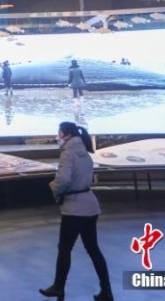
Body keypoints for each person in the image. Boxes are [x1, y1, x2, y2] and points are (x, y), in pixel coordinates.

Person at [40, 122, 112, 301]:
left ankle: (58, 287)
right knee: (93, 249)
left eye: (59, 132)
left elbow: (64, 179)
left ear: (65, 134)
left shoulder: (68, 153)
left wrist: (55, 188)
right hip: (90, 205)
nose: (57, 135)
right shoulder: (85, 153)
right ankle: (107, 290)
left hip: (74, 208)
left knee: (64, 249)